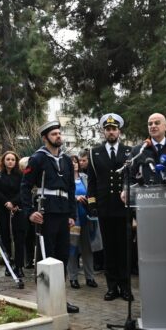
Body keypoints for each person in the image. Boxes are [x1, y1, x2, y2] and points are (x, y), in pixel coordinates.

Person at [21, 120, 79, 314]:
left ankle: (60, 300)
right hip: (46, 213)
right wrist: (30, 212)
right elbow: (25, 186)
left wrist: (72, 214)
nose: (58, 136)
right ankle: (46, 300)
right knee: (47, 256)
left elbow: (71, 188)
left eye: (59, 133)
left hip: (63, 214)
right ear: (45, 138)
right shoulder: (38, 158)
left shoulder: (66, 160)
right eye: (54, 134)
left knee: (62, 257)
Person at [86, 113, 133, 301]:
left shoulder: (129, 151)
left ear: (119, 131)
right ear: (103, 132)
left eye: (114, 129)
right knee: (110, 250)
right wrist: (92, 203)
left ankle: (126, 287)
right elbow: (91, 181)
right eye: (107, 129)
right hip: (105, 207)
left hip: (123, 207)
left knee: (124, 249)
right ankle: (112, 287)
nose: (111, 132)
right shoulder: (94, 152)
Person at [0, 150, 27, 279]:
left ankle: (19, 266)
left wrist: (13, 203)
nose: (10, 161)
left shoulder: (21, 175)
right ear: (3, 161)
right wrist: (6, 203)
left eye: (13, 159)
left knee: (19, 238)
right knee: (5, 238)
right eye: (8, 159)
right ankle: (9, 265)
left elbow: (22, 190)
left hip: (17, 209)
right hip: (3, 210)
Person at [68, 154, 98, 290]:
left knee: (88, 249)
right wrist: (75, 198)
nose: (75, 163)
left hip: (87, 219)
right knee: (72, 249)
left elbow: (92, 193)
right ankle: (73, 278)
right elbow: (65, 197)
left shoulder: (85, 177)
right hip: (73, 220)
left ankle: (90, 277)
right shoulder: (65, 180)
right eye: (72, 162)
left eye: (76, 161)